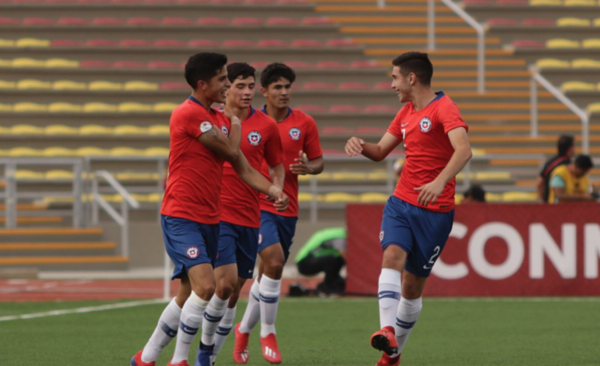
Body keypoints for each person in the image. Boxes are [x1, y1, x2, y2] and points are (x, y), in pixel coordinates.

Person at [130, 52, 289, 366]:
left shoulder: (217, 119)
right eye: (223, 80)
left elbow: (243, 168)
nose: (227, 85)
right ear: (202, 84)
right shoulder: (189, 114)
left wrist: (272, 190)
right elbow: (232, 153)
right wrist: (236, 125)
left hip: (210, 218)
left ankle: (145, 358)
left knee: (188, 292)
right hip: (181, 215)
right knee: (207, 286)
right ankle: (180, 360)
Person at [345, 51, 472, 366]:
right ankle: (387, 329)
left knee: (412, 287)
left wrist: (441, 181)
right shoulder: (404, 113)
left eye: (394, 77)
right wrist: (361, 146)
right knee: (391, 257)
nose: (392, 85)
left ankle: (393, 353)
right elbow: (380, 152)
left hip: (436, 211)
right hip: (401, 202)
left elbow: (464, 150)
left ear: (411, 78)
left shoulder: (445, 108)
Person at [233, 62, 325, 364]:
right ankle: (268, 331)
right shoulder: (252, 122)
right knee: (274, 262)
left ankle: (244, 329)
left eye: (288, 87)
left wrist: (306, 168)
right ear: (264, 91)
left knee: (268, 274)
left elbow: (319, 162)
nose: (284, 93)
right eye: (278, 88)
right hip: (257, 204)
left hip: (288, 206)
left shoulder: (305, 123)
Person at [209, 62, 286, 365]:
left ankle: (215, 349)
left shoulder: (266, 126)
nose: (246, 92)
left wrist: (277, 188)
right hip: (216, 214)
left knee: (234, 290)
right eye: (239, 86)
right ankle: (204, 353)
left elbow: (276, 165)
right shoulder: (210, 120)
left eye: (251, 86)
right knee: (223, 285)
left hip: (250, 216)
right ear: (226, 88)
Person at [295, 227, 346, 296]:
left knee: (336, 259)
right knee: (332, 259)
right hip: (305, 262)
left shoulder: (339, 233)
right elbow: (342, 252)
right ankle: (328, 286)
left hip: (307, 260)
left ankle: (333, 281)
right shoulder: (341, 237)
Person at [537, 135, 575, 202]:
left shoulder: (550, 162)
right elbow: (540, 182)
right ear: (570, 148)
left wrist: (543, 200)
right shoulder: (567, 164)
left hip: (550, 203)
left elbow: (540, 182)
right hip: (559, 203)